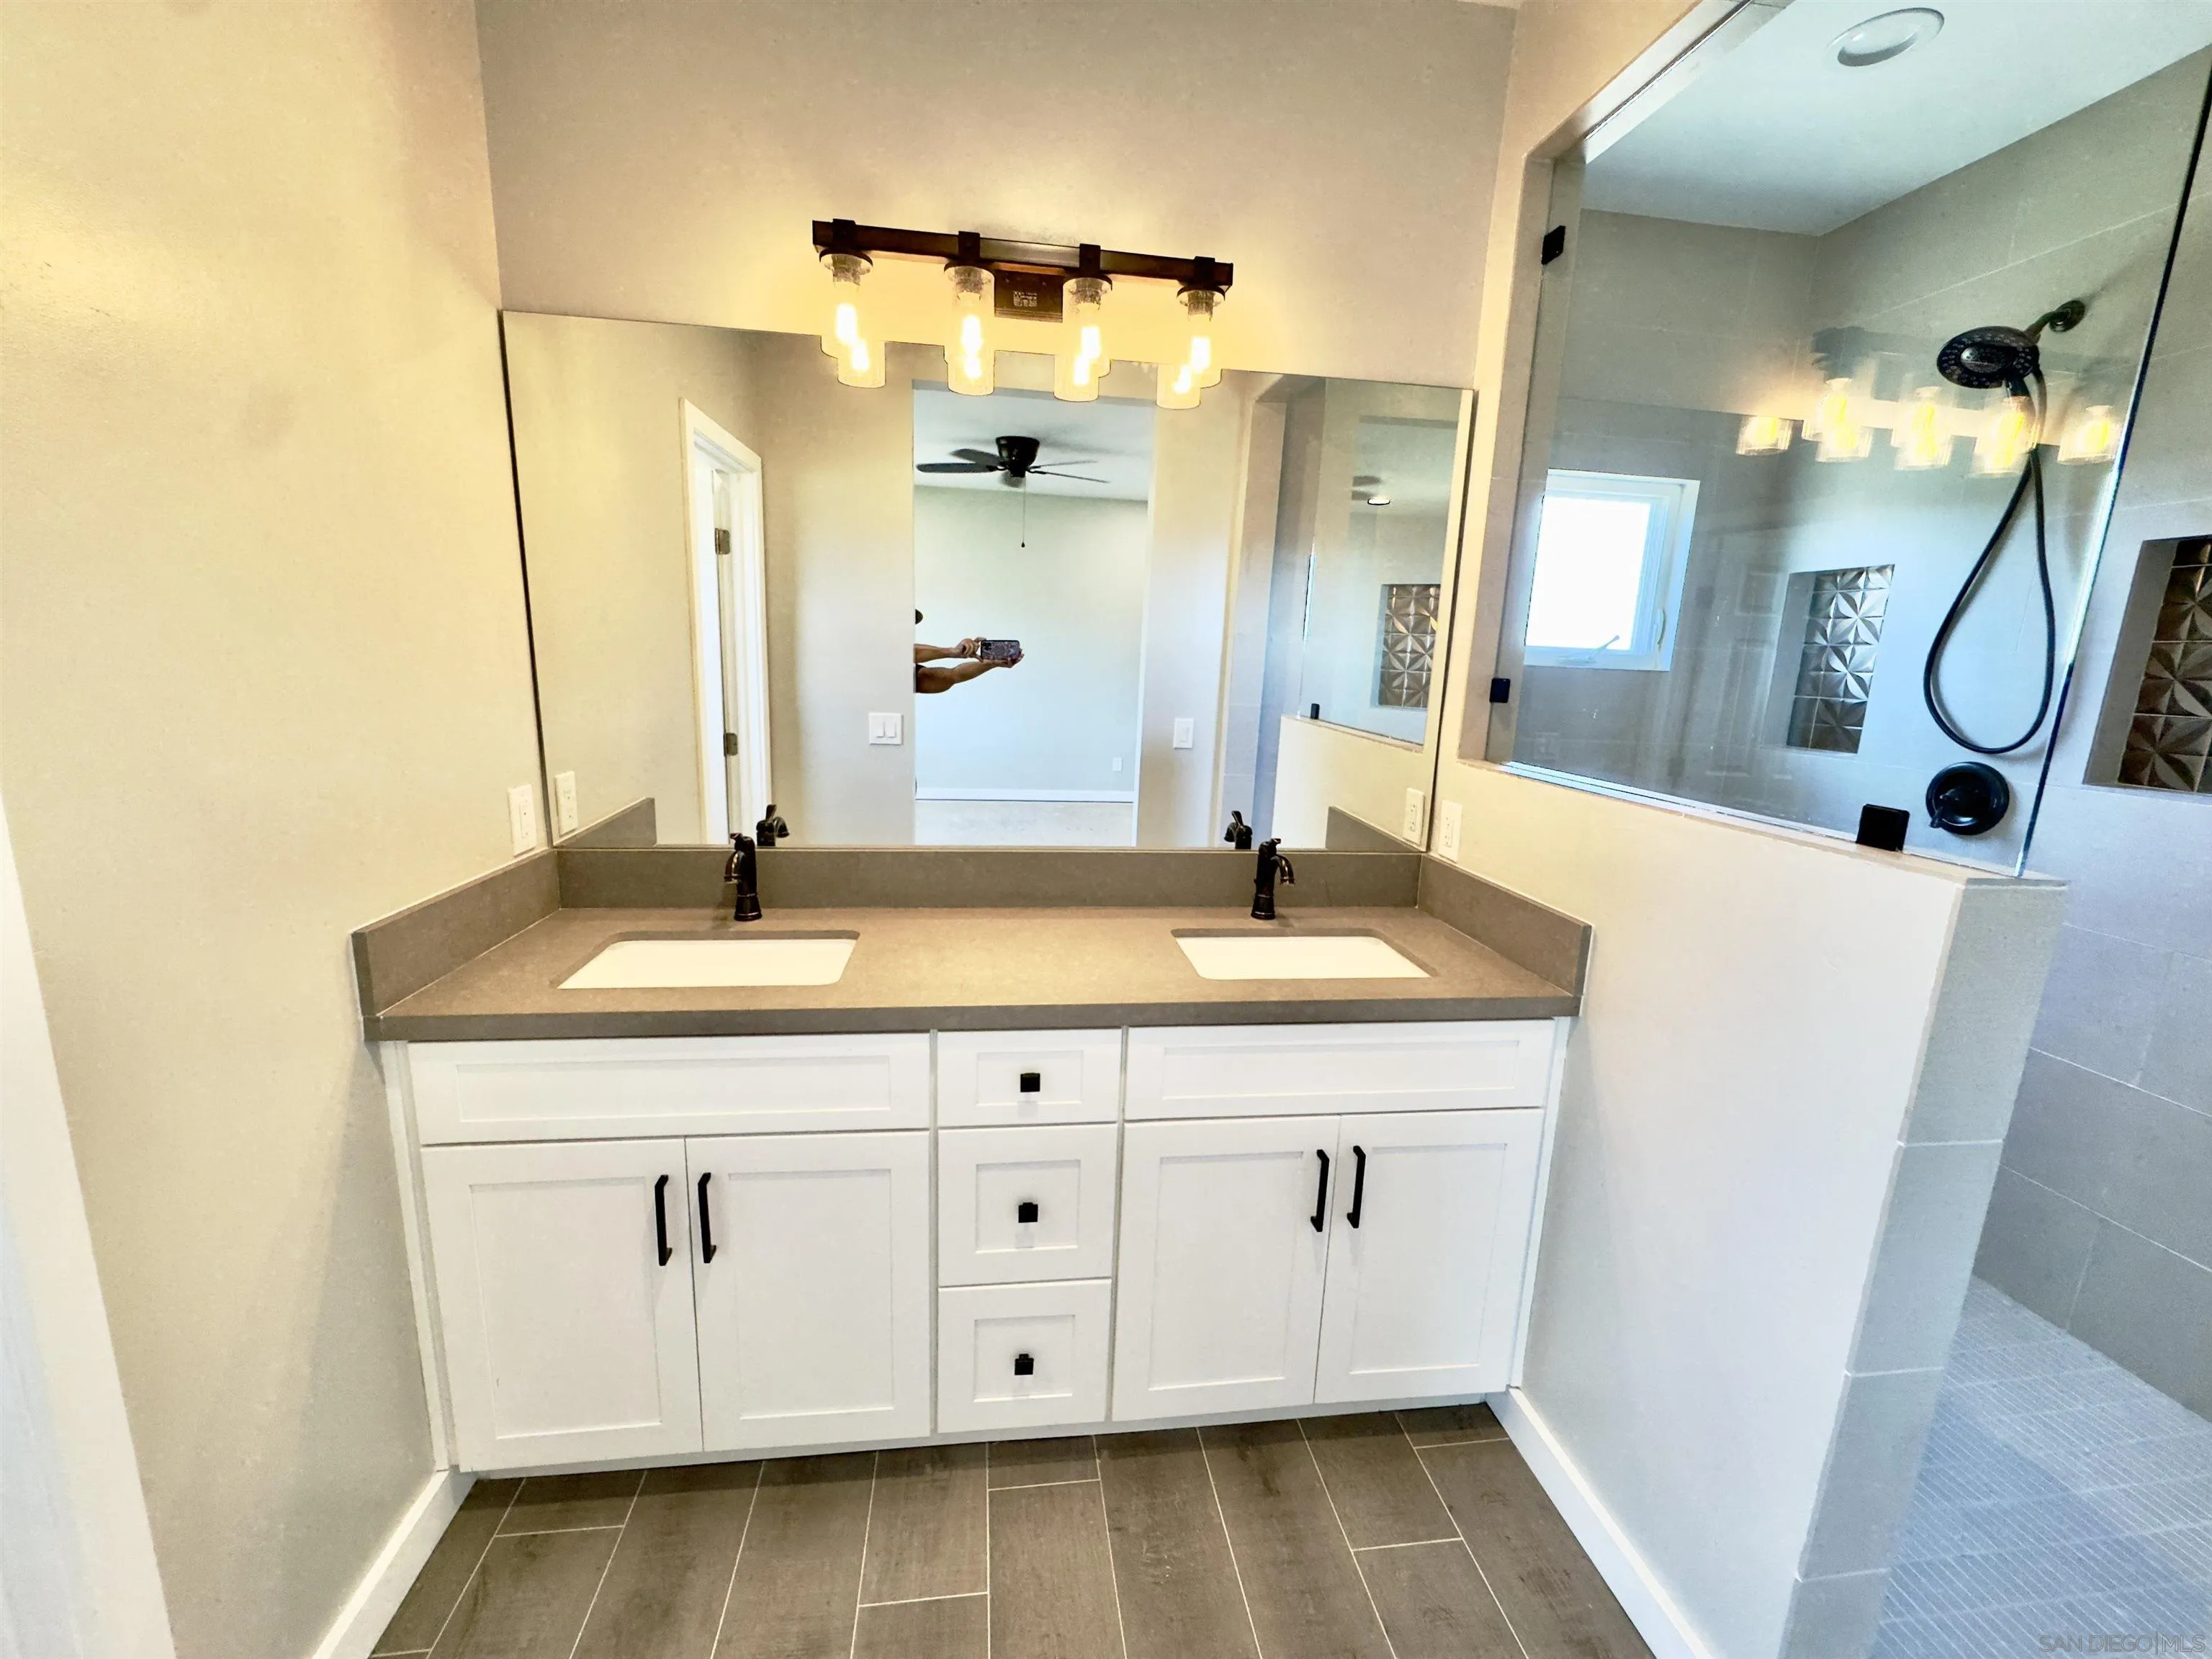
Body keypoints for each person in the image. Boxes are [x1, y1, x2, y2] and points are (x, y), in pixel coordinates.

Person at [914, 610, 1022, 694]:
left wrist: (990, 663)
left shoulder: (910, 672)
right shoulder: (904, 654)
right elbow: (906, 653)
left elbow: (953, 676)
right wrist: (951, 652)